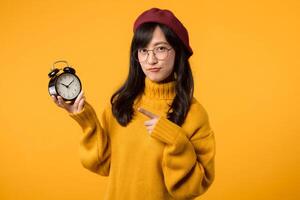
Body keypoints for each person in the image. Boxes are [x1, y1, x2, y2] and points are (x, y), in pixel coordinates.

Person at [51, 7, 216, 200]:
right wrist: (86, 120)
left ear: (177, 51)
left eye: (161, 48)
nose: (151, 59)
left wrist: (175, 139)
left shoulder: (194, 114)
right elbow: (102, 165)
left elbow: (192, 188)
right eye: (143, 50)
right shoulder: (122, 104)